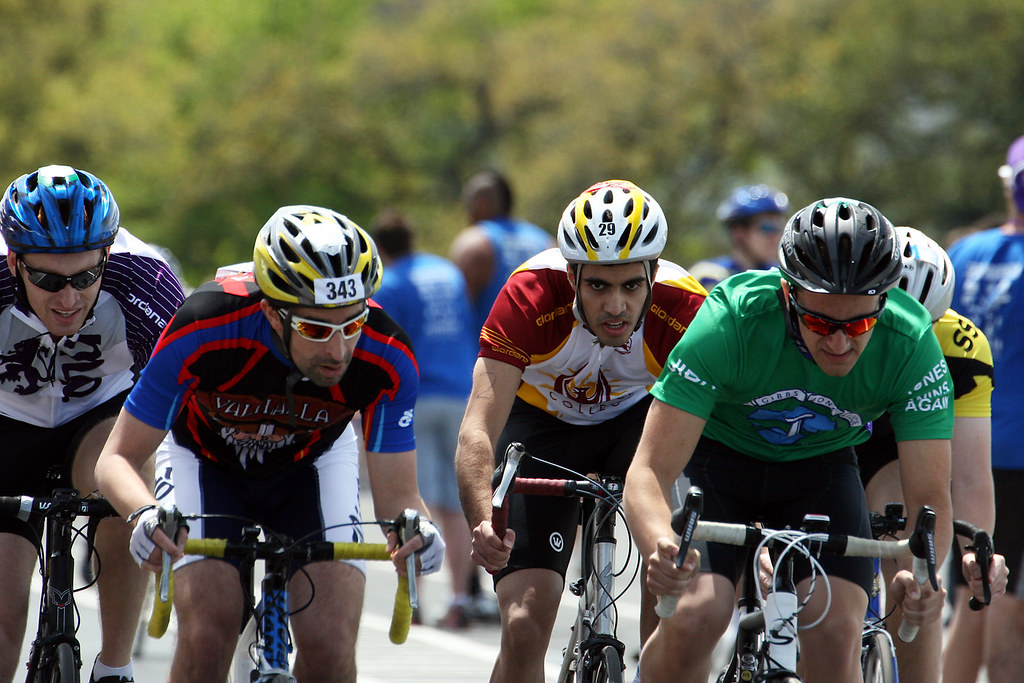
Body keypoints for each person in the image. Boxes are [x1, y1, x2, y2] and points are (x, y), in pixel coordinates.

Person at [93, 205, 445, 682]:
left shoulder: (386, 353)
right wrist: (143, 512)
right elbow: (117, 457)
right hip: (206, 461)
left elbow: (398, 497)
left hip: (312, 466)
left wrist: (417, 529)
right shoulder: (205, 326)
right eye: (317, 329)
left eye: (352, 324)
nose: (339, 350)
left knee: (331, 645)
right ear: (270, 313)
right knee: (207, 636)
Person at [624, 197, 955, 683]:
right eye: (820, 322)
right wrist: (660, 547)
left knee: (837, 628)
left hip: (819, 470)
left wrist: (920, 572)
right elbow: (648, 470)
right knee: (699, 615)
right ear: (787, 295)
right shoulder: (731, 320)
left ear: (884, 303)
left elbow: (930, 500)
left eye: (859, 324)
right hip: (719, 462)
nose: (840, 343)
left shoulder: (910, 344)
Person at [455, 179, 708, 682]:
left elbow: (717, 438)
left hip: (638, 427)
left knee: (670, 603)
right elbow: (477, 429)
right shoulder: (529, 293)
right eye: (598, 286)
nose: (616, 305)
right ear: (572, 275)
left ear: (653, 274)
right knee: (524, 624)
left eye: (631, 285)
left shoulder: (685, 311)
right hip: (540, 429)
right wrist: (484, 521)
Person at [0, 165, 186, 683]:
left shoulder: (144, 277)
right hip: (7, 425)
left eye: (85, 278)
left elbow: (185, 399)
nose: (68, 298)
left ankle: (115, 667)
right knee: (2, 624)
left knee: (124, 487)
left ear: (107, 256)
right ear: (14, 261)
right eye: (47, 280)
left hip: (97, 418)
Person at [856, 226, 1007, 683]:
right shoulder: (833, 327)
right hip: (834, 442)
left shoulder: (962, 347)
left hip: (898, 453)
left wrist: (975, 552)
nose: (904, 346)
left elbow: (969, 475)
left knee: (918, 573)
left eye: (918, 332)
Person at [371, 209, 478, 629]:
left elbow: (384, 342)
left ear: (380, 247)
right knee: (457, 505)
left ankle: (412, 597)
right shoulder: (447, 272)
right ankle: (460, 600)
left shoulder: (391, 283)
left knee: (413, 501)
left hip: (417, 394)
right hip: (463, 390)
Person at [946, 134, 1024, 683]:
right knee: (1009, 613)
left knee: (967, 605)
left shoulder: (964, 255)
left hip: (960, 450)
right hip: (1018, 458)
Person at [449, 169, 554, 336]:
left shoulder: (474, 243)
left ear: (482, 202)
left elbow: (456, 314)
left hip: (491, 356)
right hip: (545, 356)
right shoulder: (546, 242)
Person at [688, 183, 789, 290]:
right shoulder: (708, 276)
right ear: (739, 231)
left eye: (779, 226)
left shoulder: (783, 278)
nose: (775, 236)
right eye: (767, 227)